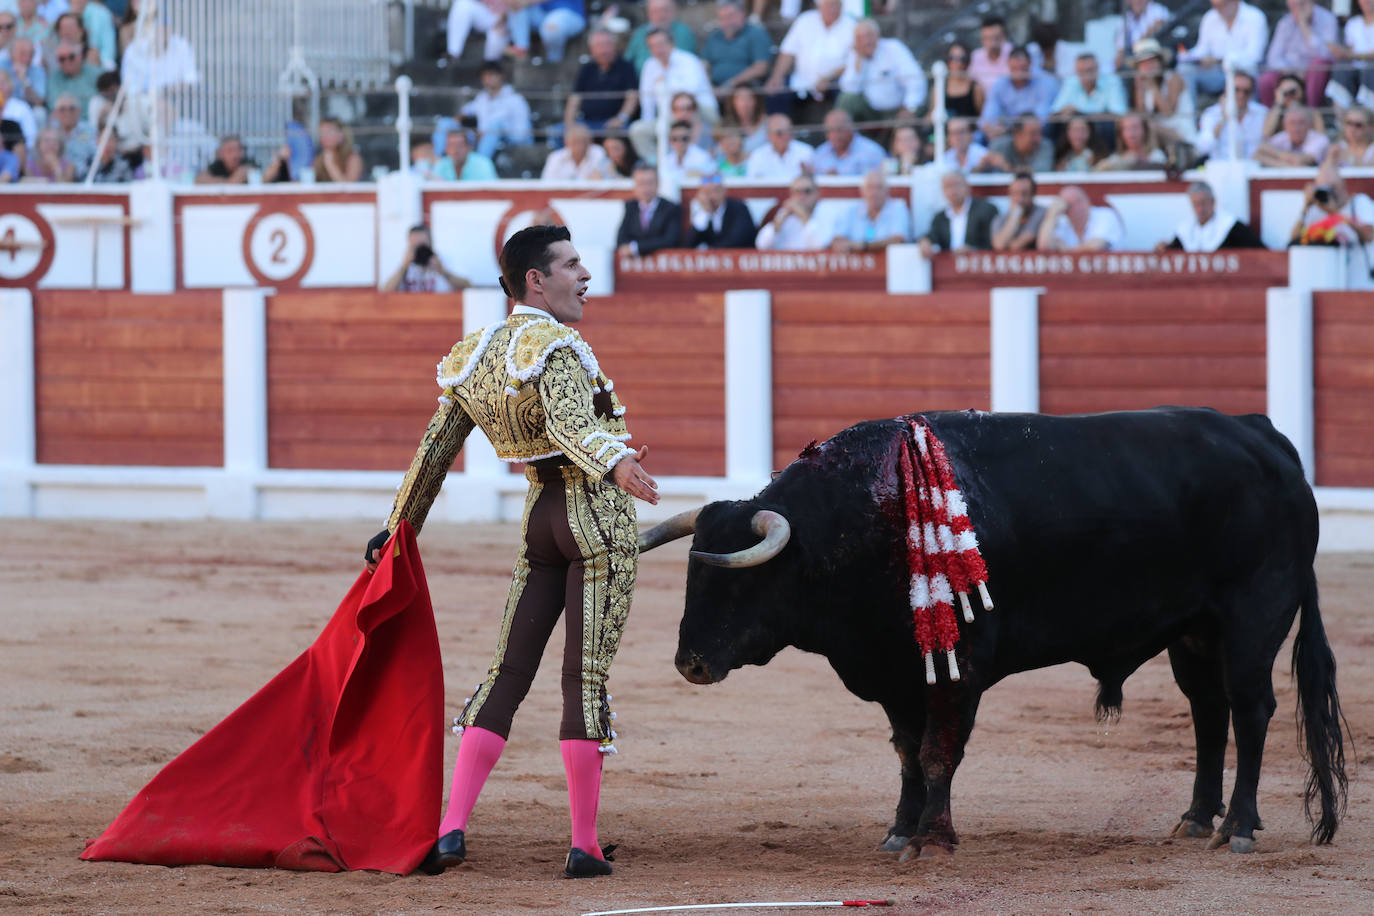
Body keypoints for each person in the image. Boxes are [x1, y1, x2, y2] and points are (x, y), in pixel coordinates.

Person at [365, 224, 658, 880]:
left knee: (505, 673)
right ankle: (583, 845)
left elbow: (436, 446)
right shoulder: (555, 343)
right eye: (572, 265)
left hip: (539, 521)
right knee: (583, 680)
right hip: (593, 523)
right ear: (536, 280)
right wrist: (616, 467)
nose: (585, 277)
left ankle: (450, 831)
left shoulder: (477, 353)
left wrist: (398, 526)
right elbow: (567, 425)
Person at [629, 28, 716, 161]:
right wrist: (648, 121)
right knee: (638, 130)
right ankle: (657, 164)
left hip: (698, 111)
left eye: (661, 44)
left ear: (671, 44)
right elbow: (647, 100)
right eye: (652, 46)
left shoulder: (689, 60)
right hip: (669, 115)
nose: (658, 49)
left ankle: (694, 162)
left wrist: (665, 84)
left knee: (685, 110)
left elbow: (688, 96)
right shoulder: (649, 65)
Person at [763, 0, 854, 119]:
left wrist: (829, 78)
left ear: (841, 6)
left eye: (835, 5)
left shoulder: (851, 25)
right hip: (801, 79)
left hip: (835, 81)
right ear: (819, 6)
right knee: (775, 92)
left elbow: (853, 60)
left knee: (847, 93)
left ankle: (839, 130)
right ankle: (778, 131)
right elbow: (788, 51)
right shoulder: (804, 20)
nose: (831, 9)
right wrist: (777, 76)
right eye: (828, 5)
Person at [835, 18, 925, 126]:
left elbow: (915, 79)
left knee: (905, 120)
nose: (865, 41)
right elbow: (849, 90)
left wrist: (910, 106)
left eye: (868, 35)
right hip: (870, 113)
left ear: (878, 35)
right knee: (847, 99)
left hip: (897, 109)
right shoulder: (855, 55)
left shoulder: (893, 48)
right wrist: (858, 63)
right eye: (860, 38)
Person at [1179, 0, 1268, 100]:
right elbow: (1203, 48)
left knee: (1241, 76)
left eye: (1222, 5)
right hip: (1215, 73)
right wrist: (1189, 56)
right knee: (1184, 69)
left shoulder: (1255, 17)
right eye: (1215, 6)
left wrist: (1220, 60)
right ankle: (1189, 114)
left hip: (1242, 72)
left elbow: (1255, 56)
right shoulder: (1210, 17)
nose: (1218, 10)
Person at [1259, 0, 1336, 108]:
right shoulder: (1285, 23)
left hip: (1314, 72)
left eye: (1301, 4)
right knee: (1266, 80)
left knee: (1319, 65)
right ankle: (1272, 119)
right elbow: (1273, 58)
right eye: (1293, 6)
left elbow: (1325, 54)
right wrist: (1291, 73)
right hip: (1288, 73)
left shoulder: (1328, 19)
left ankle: (1312, 114)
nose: (1298, 9)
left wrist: (1304, 26)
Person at [1154, 181, 1264, 251]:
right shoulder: (1186, 230)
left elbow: (1259, 253)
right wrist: (1164, 248)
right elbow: (1174, 252)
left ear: (1213, 202)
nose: (1200, 209)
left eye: (1203, 203)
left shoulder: (1232, 227)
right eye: (1195, 204)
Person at [565, 29, 638, 135]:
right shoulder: (586, 69)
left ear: (614, 46)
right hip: (586, 122)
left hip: (614, 123)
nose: (604, 50)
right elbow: (574, 99)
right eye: (599, 46)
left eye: (607, 45)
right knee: (559, 132)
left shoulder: (626, 67)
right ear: (592, 49)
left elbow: (632, 97)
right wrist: (570, 124)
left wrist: (621, 119)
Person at [979, 46, 1057, 140]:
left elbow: (1040, 119)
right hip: (1007, 132)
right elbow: (988, 116)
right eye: (1014, 68)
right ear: (1008, 65)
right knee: (981, 137)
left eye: (1022, 68)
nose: (1019, 73)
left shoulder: (1046, 81)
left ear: (1030, 64)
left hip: (1036, 132)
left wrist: (1009, 129)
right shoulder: (1000, 84)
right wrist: (990, 128)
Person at [1128, 38, 1195, 147]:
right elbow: (1142, 115)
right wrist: (1139, 90)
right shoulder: (1141, 85)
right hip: (1158, 137)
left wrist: (1152, 86)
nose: (1148, 66)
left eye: (1152, 61)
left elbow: (1168, 113)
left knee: (1149, 126)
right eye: (1143, 63)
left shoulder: (1173, 78)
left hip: (1181, 135)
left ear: (1160, 61)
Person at [461, 62, 533, 160]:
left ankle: (480, 165)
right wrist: (459, 118)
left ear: (500, 76)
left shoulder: (515, 99)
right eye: (484, 76)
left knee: (494, 127)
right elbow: (466, 110)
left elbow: (521, 134)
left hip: (510, 142)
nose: (487, 79)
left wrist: (495, 131)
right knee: (446, 124)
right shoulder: (482, 98)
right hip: (483, 139)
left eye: (490, 75)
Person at [918, 171, 998, 257]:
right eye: (948, 186)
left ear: (967, 187)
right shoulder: (940, 217)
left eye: (957, 184)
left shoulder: (986, 210)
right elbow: (932, 236)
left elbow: (993, 243)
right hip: (949, 268)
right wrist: (925, 241)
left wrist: (973, 250)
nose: (953, 190)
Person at [1194, 70, 1267, 162]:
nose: (1241, 95)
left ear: (1252, 93)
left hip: (1254, 169)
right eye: (1236, 90)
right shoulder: (1211, 114)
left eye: (1246, 91)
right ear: (1227, 90)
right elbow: (1202, 148)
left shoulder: (1262, 112)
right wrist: (1224, 118)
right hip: (1222, 170)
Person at [831, 168, 910, 252]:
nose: (874, 193)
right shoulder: (851, 210)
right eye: (870, 188)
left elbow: (898, 240)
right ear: (862, 191)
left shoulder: (898, 208)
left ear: (887, 191)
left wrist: (864, 246)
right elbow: (837, 241)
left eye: (879, 188)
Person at [1050, 52, 1126, 138]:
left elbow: (1119, 114)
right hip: (1076, 131)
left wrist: (1080, 114)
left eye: (1089, 70)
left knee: (1107, 126)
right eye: (1081, 71)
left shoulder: (1112, 81)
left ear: (1097, 69)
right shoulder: (1071, 82)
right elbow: (1055, 112)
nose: (1086, 75)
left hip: (1101, 133)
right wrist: (1064, 112)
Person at [701, 0, 771, 90]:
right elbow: (704, 64)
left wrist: (730, 84)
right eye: (722, 18)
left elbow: (761, 68)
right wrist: (708, 86)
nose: (727, 22)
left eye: (730, 16)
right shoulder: (715, 36)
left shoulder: (756, 33)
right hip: (714, 89)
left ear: (743, 14)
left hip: (744, 89)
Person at [382, 224, 471, 293]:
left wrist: (442, 271)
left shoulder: (444, 260)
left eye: (422, 245)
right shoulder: (404, 263)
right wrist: (403, 267)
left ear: (431, 243)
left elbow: (468, 286)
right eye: (415, 246)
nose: (419, 250)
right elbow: (385, 292)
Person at [616, 162, 682, 256]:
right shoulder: (630, 206)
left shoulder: (671, 208)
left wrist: (636, 248)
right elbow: (621, 239)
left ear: (658, 184)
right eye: (641, 183)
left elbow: (670, 241)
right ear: (635, 186)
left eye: (650, 183)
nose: (645, 189)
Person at [1289, 176, 1374, 248]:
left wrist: (1334, 213)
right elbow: (1293, 239)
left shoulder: (1359, 202)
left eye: (1333, 187)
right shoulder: (1317, 208)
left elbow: (1369, 236)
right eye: (1324, 188)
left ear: (1343, 184)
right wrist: (1306, 206)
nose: (1330, 193)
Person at [756, 174, 833, 250]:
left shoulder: (826, 212)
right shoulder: (784, 212)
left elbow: (821, 245)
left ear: (817, 193)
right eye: (797, 192)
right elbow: (761, 245)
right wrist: (779, 222)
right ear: (791, 194)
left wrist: (803, 216)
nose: (802, 197)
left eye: (807, 191)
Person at [1036, 185, 1124, 251]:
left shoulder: (1105, 214)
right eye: (1065, 207)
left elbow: (1096, 245)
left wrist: (1067, 251)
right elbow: (1044, 246)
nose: (1066, 211)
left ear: (1084, 201)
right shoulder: (1064, 223)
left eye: (1068, 206)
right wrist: (1052, 215)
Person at [686, 172, 756, 248]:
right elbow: (689, 244)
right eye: (707, 193)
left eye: (716, 191)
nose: (712, 196)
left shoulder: (739, 208)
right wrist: (705, 213)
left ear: (724, 191)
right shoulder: (701, 215)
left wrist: (709, 250)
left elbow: (737, 240)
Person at [626, 0, 696, 73]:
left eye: (665, 10)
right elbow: (628, 60)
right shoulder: (639, 34)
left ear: (673, 11)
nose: (661, 15)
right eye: (656, 11)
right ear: (648, 13)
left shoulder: (683, 32)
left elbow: (687, 61)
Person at [810, 107, 884, 176]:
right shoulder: (820, 153)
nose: (835, 135)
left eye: (839, 129)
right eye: (830, 130)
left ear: (852, 128)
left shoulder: (872, 152)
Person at [507, 0, 586, 63]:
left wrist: (526, 1)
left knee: (551, 28)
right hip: (542, 13)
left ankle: (554, 61)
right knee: (517, 7)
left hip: (568, 12)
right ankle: (521, 49)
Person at [1255, 104, 1329, 167]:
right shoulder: (1283, 136)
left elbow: (1301, 161)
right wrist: (1282, 156)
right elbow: (1258, 152)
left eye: (1301, 123)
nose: (1296, 128)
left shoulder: (1319, 139)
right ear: (1285, 126)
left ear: (1309, 125)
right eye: (1292, 123)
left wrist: (1275, 158)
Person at [977, 113, 1053, 173]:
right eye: (1033, 133)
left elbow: (1039, 172)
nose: (1038, 138)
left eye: (1040, 133)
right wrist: (983, 166)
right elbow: (977, 174)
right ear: (1017, 134)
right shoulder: (998, 146)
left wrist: (1005, 166)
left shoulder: (1045, 146)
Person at [745, 113, 812, 179]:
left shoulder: (806, 152)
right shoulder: (758, 156)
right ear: (769, 135)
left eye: (788, 131)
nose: (785, 136)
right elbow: (752, 183)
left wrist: (809, 174)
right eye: (779, 133)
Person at [1330, 0, 1374, 103]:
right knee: (1341, 67)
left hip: (1370, 69)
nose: (1366, 1)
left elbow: (1353, 54)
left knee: (1370, 68)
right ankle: (1340, 116)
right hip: (1354, 68)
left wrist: (1357, 56)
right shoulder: (1353, 23)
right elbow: (1350, 50)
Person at [991, 171, 1045, 251]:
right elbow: (999, 245)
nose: (1020, 199)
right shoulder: (1000, 219)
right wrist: (1015, 215)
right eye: (1015, 193)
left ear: (1033, 194)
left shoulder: (1041, 213)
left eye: (1024, 193)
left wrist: (1016, 213)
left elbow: (1016, 246)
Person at [1094, 113, 1168, 171]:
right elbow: (1098, 170)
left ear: (1145, 131)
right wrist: (1125, 161)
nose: (1132, 133)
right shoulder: (1115, 158)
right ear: (1121, 133)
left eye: (1135, 127)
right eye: (1127, 129)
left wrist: (1138, 161)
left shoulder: (1156, 155)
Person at [542, 123, 613, 179]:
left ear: (590, 142)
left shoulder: (598, 152)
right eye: (575, 142)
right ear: (566, 143)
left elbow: (602, 178)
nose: (580, 146)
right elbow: (547, 182)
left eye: (584, 142)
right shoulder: (555, 157)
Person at [45, 39, 98, 113]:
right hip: (67, 122)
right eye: (62, 59)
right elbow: (54, 106)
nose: (67, 62)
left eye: (71, 57)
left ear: (80, 56)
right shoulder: (54, 79)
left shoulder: (96, 73)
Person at [1114, 0, 1170, 69]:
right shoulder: (1127, 18)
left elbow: (1159, 24)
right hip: (1135, 60)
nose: (1137, 1)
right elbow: (1120, 47)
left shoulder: (1156, 9)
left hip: (1154, 55)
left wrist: (1139, 43)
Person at [660, 118, 716, 186]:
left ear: (691, 139)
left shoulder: (703, 157)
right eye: (675, 139)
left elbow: (713, 179)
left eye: (684, 139)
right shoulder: (666, 159)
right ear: (670, 140)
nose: (679, 142)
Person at [49, 91, 94, 173]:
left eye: (72, 109)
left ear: (79, 111)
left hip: (84, 177)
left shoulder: (90, 130)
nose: (67, 113)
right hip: (57, 178)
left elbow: (94, 155)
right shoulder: (50, 132)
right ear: (56, 112)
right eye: (62, 109)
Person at [969, 15, 1012, 97]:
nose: (992, 43)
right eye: (987, 38)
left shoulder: (1014, 53)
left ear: (1005, 37)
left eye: (996, 38)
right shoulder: (975, 56)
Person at [312, 117, 364, 182]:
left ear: (341, 135)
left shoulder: (353, 158)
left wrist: (330, 164)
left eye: (329, 132)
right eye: (322, 132)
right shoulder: (319, 158)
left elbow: (349, 188)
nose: (324, 136)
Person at [942, 41, 983, 120]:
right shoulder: (939, 87)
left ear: (967, 61)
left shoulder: (976, 88)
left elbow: (982, 116)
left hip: (970, 131)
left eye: (962, 59)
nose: (958, 63)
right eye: (952, 58)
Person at [2, 36, 44, 111]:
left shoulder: (38, 71)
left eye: (31, 54)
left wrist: (24, 80)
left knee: (39, 112)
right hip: (3, 106)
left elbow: (39, 102)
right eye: (23, 54)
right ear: (11, 53)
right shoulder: (2, 65)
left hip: (27, 110)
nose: (27, 58)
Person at [721, 85, 767, 152]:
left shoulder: (768, 123)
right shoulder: (726, 125)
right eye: (740, 99)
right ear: (733, 102)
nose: (745, 104)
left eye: (749, 98)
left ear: (756, 101)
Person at [0, 70, 36, 152]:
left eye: (2, 82)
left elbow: (31, 137)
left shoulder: (22, 107)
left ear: (11, 86)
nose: (0, 86)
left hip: (15, 153)